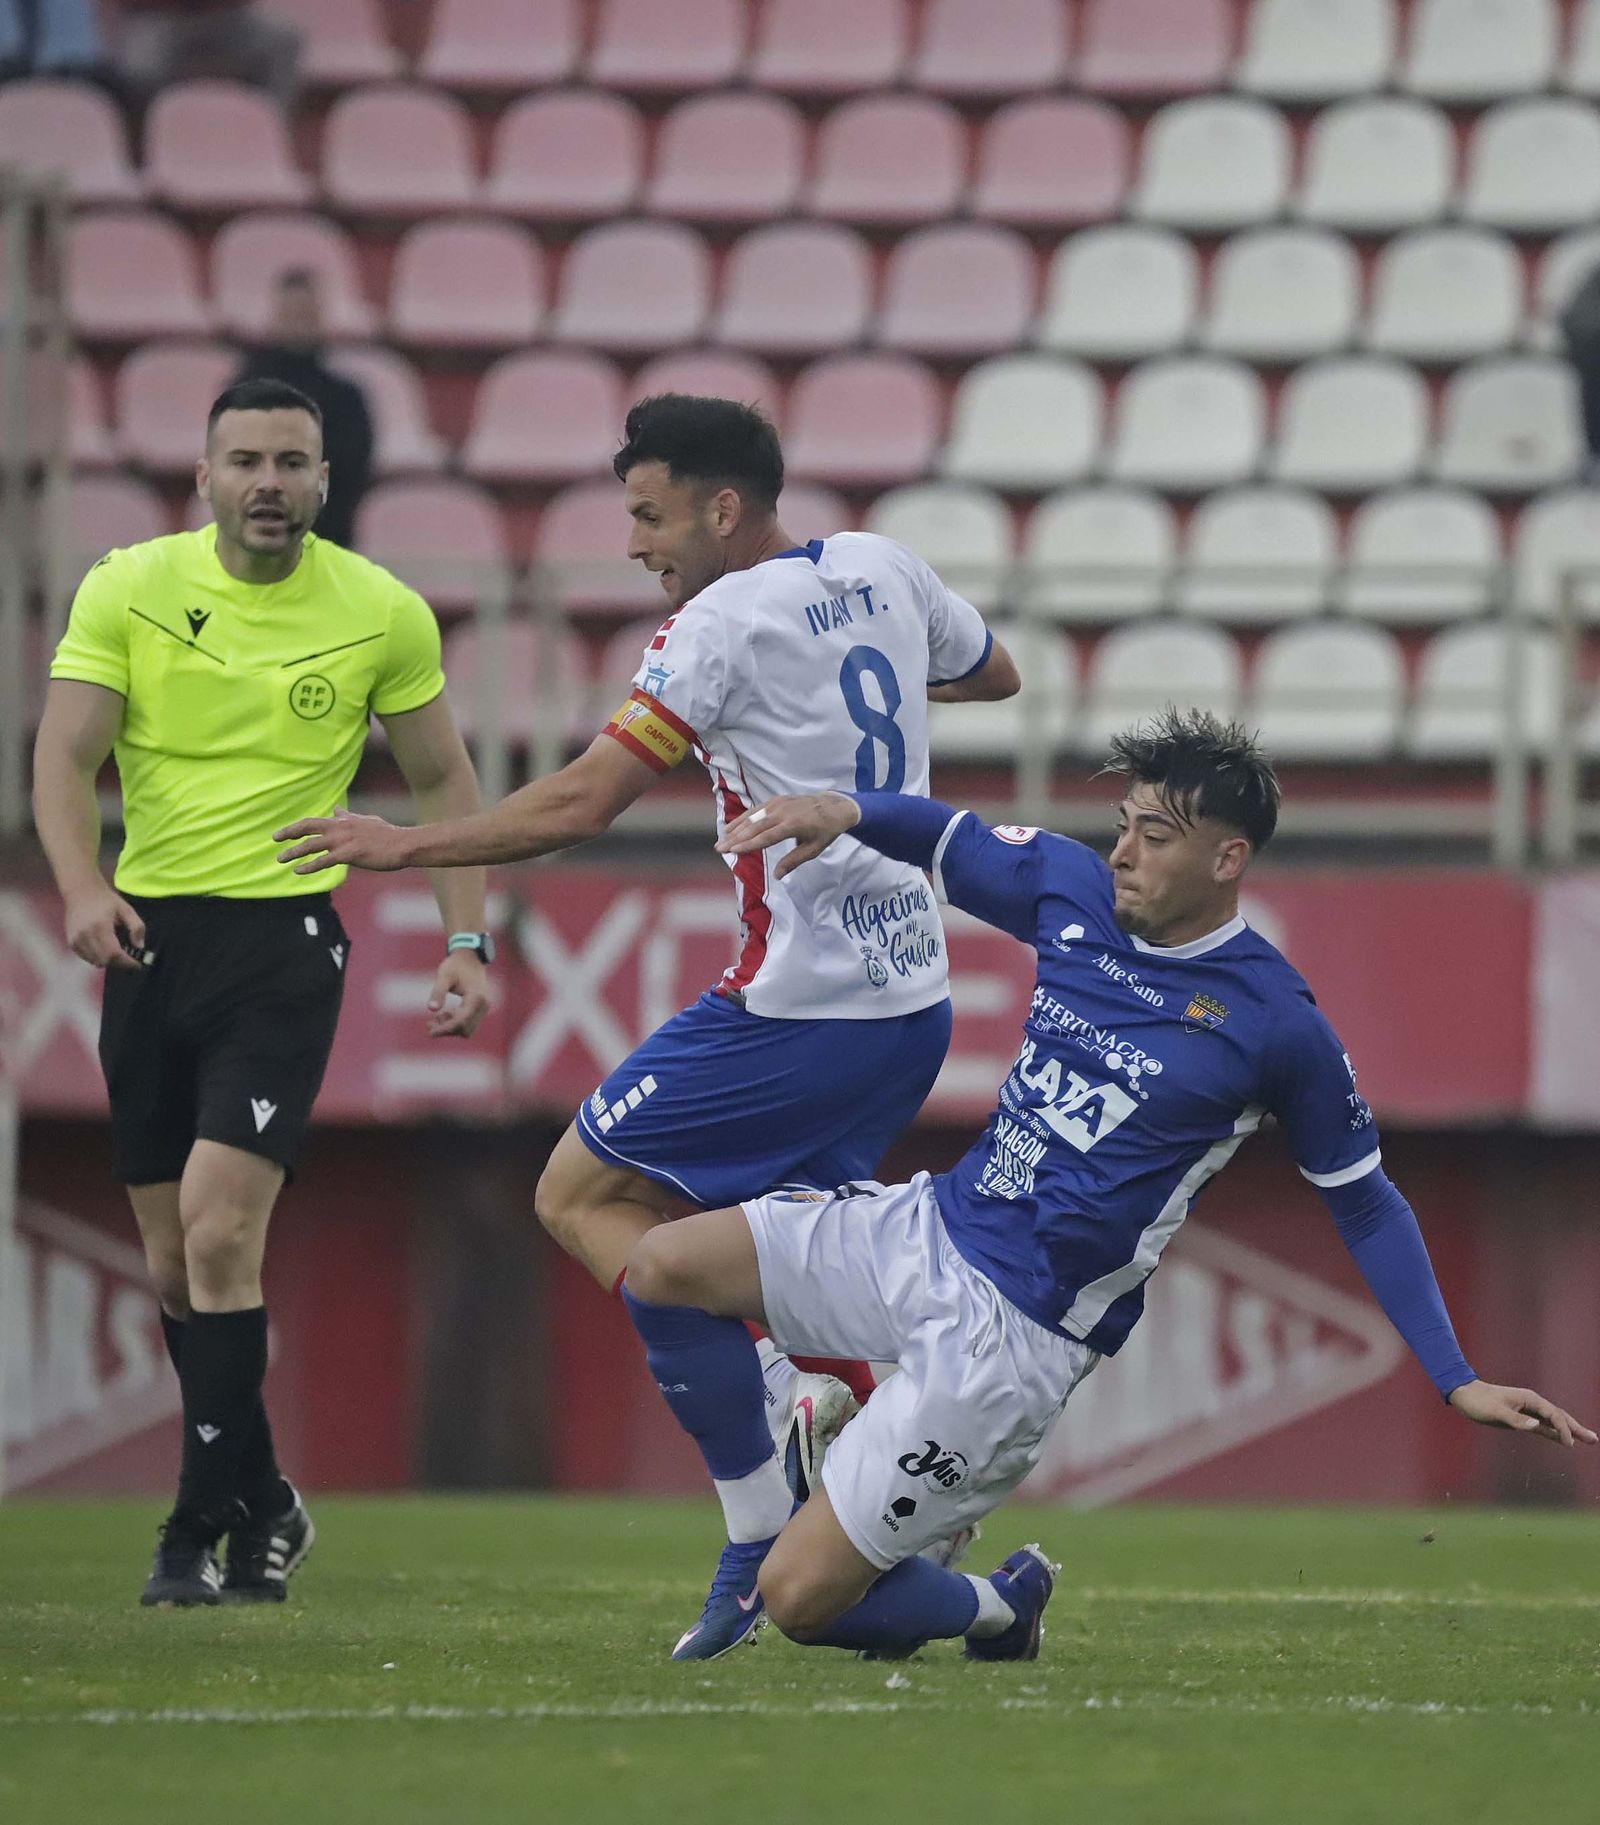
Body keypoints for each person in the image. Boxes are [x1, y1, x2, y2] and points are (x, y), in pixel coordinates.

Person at [610, 708, 1596, 1663]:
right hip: (927, 1228)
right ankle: (752, 1527)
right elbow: (947, 833)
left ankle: (1000, 1606)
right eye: (1122, 825)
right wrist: (843, 809)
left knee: (801, 1603)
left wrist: (1453, 1374)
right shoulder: (1070, 891)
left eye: (1154, 835)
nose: (1122, 851)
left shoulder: (1273, 1024)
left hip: (1015, 1342)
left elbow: (1365, 1198)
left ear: (1226, 859)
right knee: (660, 1265)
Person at [273, 393, 1020, 1652]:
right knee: (774, 1267)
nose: (635, 542)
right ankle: (914, 1490)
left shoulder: (717, 620)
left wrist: (405, 845)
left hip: (798, 1003)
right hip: (912, 1004)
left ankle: (761, 1502)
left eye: (648, 512)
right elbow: (994, 672)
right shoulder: (883, 566)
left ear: (723, 506)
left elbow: (583, 800)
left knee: (579, 1198)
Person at [32, 377, 492, 1608]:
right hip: (145, 941)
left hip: (283, 946)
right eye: (247, 460)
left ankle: (194, 1525)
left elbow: (446, 779)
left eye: (293, 462)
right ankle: (268, 1500)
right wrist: (81, 887)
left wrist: (469, 943)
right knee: (178, 1264)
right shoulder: (129, 585)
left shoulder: (379, 611)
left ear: (327, 481)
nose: (270, 483)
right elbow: (64, 755)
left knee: (225, 1229)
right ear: (205, 474)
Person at [234, 270, 375, 552]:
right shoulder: (245, 390)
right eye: (291, 312)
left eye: (306, 313)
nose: (299, 322)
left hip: (327, 540)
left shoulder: (346, 398)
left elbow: (352, 471)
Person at [115, 1, 301, 109]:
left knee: (285, 39)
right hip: (163, 20)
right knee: (138, 68)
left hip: (227, 19)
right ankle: (161, 135)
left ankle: (267, 130)